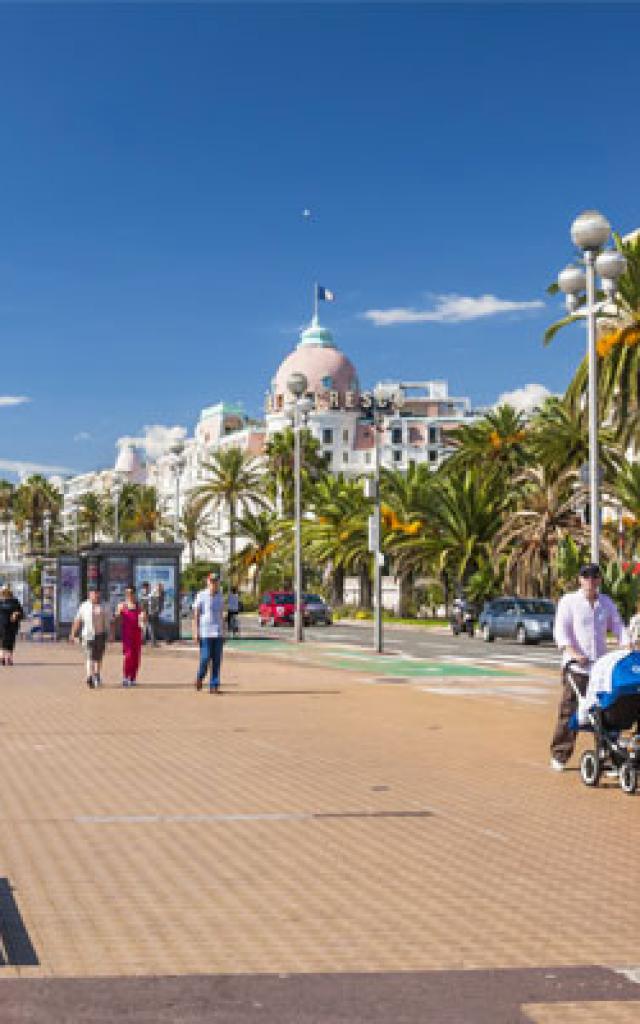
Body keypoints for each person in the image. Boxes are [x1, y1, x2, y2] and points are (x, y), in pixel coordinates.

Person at [550, 562, 627, 771]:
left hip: (600, 669)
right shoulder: (569, 602)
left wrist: (627, 644)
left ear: (599, 580)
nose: (590, 581)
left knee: (606, 711)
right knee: (570, 711)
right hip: (577, 668)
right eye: (586, 576)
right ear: (580, 579)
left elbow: (618, 626)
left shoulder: (606, 603)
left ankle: (607, 754)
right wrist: (572, 653)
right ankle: (560, 754)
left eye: (594, 577)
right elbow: (561, 630)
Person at [69, 584, 111, 688]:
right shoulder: (84, 606)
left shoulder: (104, 605)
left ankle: (96, 674)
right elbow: (77, 620)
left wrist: (110, 634)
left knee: (99, 657)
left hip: (101, 634)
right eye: (93, 593)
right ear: (89, 594)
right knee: (89, 656)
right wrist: (73, 633)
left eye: (97, 593)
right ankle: (89, 677)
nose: (95, 595)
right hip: (88, 635)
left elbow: (110, 621)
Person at [193, 573, 225, 693]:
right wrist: (195, 631)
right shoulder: (201, 595)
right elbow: (196, 614)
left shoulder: (220, 596)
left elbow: (222, 615)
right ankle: (199, 678)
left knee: (217, 660)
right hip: (205, 633)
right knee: (205, 658)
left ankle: (214, 684)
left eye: (216, 581)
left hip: (217, 633)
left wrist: (224, 632)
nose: (214, 584)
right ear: (207, 582)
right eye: (211, 581)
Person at [113, 586, 146, 687]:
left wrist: (144, 617)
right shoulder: (122, 605)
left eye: (131, 593)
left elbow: (143, 620)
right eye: (127, 593)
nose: (129, 595)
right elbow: (116, 619)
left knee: (136, 657)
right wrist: (117, 614)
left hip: (137, 634)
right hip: (127, 634)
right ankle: (125, 677)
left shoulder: (139, 605)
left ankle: (133, 678)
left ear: (134, 594)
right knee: (128, 655)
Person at [0, 585, 24, 666]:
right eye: (3, 592)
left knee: (10, 642)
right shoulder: (0, 601)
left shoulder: (15, 601)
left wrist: (16, 613)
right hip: (1, 625)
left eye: (6, 592)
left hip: (12, 626)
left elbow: (21, 613)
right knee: (2, 642)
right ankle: (2, 658)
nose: (4, 593)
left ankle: (9, 658)